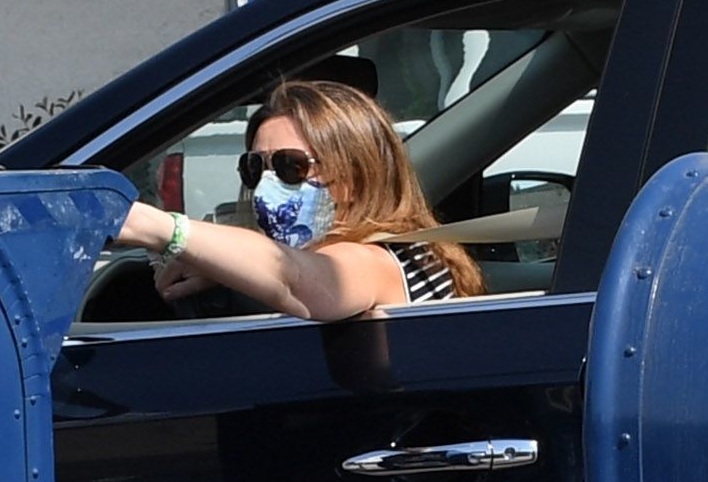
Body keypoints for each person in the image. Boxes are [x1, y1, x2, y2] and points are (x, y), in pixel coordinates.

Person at [118, 75, 480, 318]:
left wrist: (155, 226)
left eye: (291, 166)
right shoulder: (401, 250)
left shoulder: (381, 261)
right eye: (255, 168)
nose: (265, 185)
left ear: (354, 174)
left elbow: (305, 281)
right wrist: (223, 270)